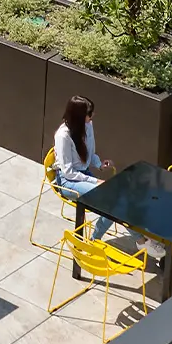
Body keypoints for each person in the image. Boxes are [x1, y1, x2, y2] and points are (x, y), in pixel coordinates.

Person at [52, 95, 115, 242]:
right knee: (113, 203)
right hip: (67, 181)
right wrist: (94, 181)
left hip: (83, 174)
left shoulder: (88, 125)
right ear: (79, 116)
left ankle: (140, 241)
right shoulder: (63, 136)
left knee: (116, 200)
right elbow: (68, 172)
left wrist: (99, 164)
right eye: (89, 113)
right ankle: (94, 241)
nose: (93, 115)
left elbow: (90, 154)